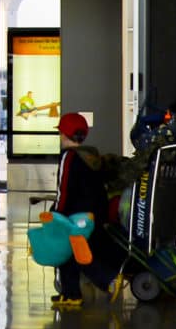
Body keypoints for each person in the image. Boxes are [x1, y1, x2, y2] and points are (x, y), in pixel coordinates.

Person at [49, 112, 124, 310]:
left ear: (64, 134)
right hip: (93, 214)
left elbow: (63, 188)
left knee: (74, 252)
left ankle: (108, 280)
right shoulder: (92, 155)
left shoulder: (69, 157)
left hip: (73, 216)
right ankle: (70, 293)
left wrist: (56, 212)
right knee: (73, 252)